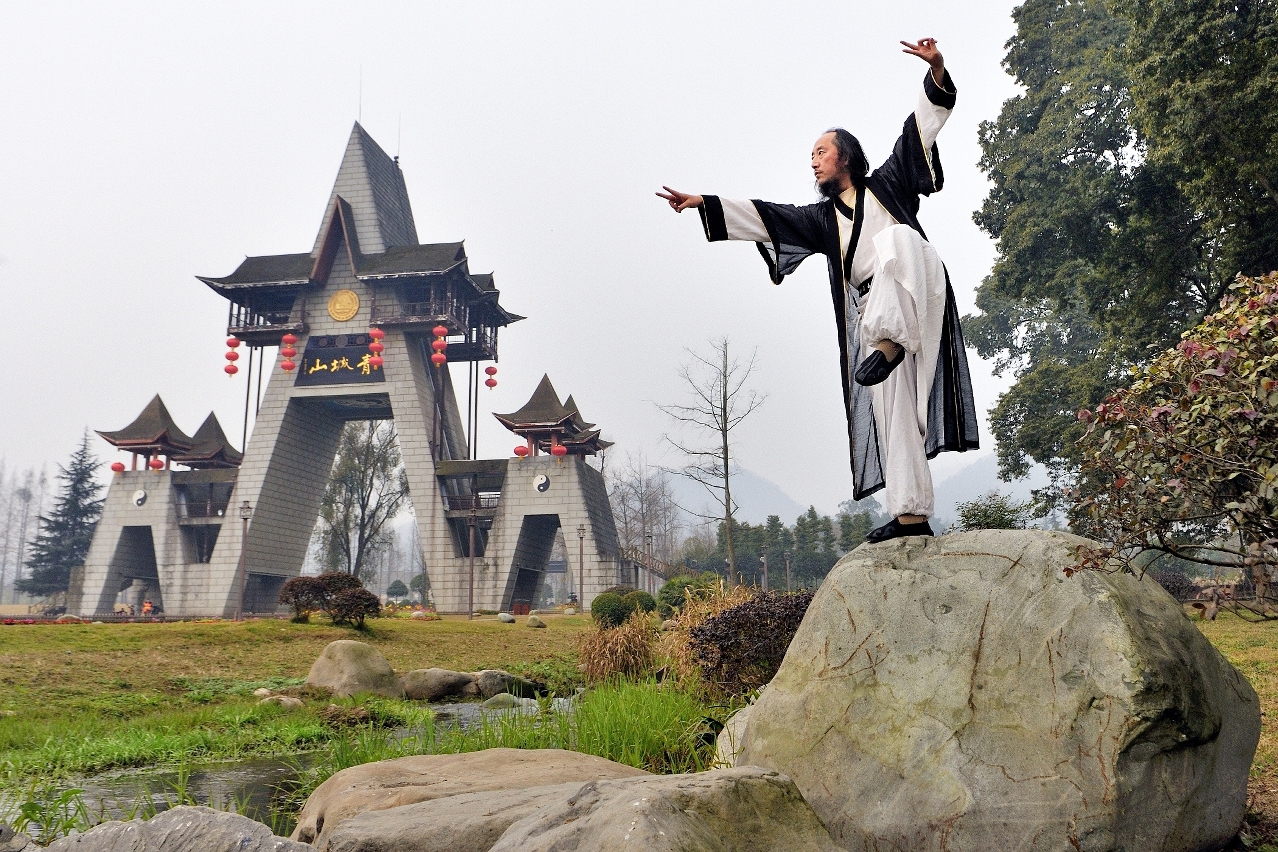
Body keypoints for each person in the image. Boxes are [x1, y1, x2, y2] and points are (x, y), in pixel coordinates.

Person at [658, 38, 979, 543]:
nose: (813, 162)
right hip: (875, 320)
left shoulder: (889, 183)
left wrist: (936, 68)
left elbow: (921, 127)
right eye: (810, 156)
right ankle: (911, 518)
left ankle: (889, 343)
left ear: (845, 155)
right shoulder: (821, 219)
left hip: (917, 293)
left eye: (820, 152)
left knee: (896, 241)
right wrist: (705, 202)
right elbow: (768, 215)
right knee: (893, 417)